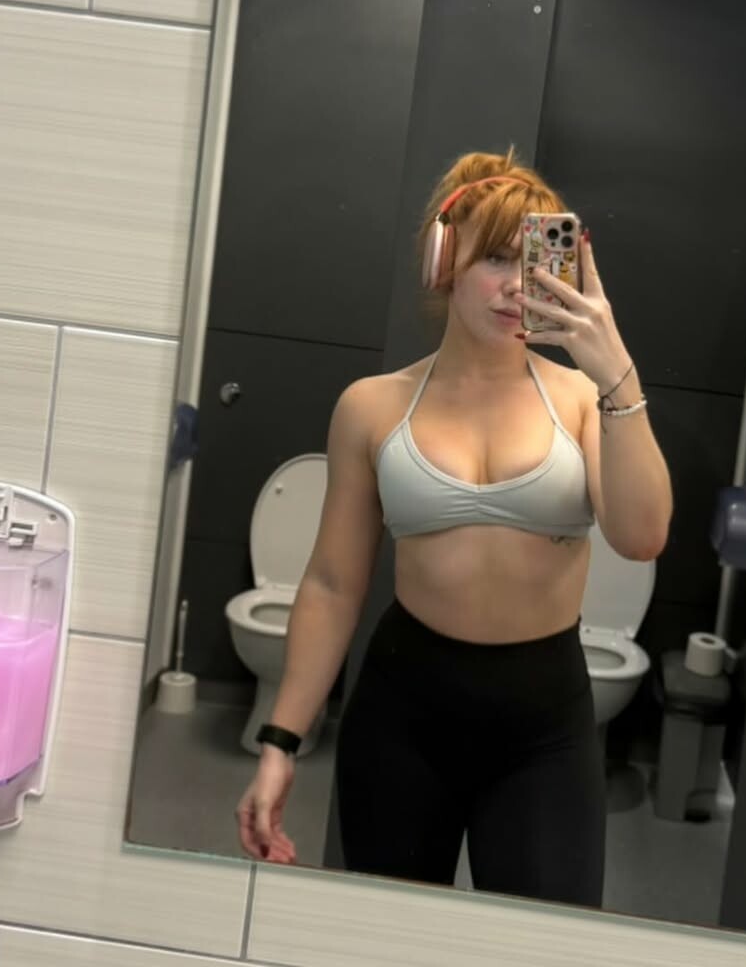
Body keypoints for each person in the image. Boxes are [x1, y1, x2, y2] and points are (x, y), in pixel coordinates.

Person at [236, 146, 672, 908]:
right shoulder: (372, 406)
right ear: (444, 261)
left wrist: (615, 372)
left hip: (546, 724)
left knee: (542, 938)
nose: (518, 286)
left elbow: (641, 537)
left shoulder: (581, 399)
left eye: (535, 261)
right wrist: (279, 743)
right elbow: (333, 585)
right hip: (404, 712)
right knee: (388, 934)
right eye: (495, 258)